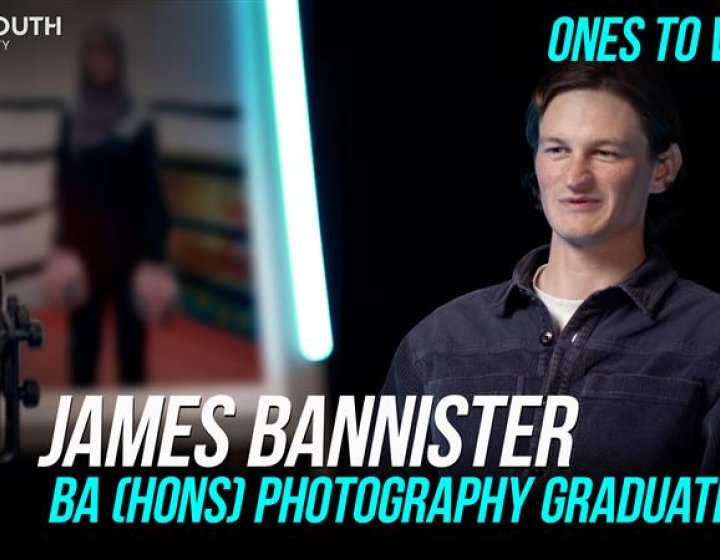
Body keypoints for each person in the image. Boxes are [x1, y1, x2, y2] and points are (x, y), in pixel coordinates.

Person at [382, 63, 720, 477]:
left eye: (605, 152)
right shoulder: (438, 342)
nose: (576, 177)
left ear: (663, 168)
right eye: (557, 149)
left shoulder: (710, 337)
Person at [44, 24, 176, 386]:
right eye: (92, 53)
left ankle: (134, 434)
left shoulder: (137, 117)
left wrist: (153, 254)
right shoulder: (72, 117)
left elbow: (151, 188)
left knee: (131, 353)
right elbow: (64, 184)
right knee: (83, 350)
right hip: (84, 255)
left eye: (106, 52)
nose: (99, 60)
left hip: (130, 254)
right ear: (83, 61)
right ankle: (80, 433)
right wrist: (64, 245)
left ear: (118, 60)